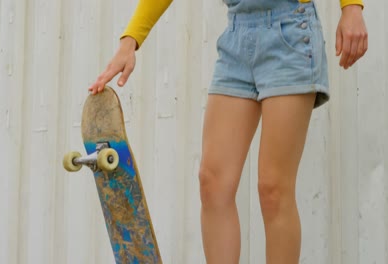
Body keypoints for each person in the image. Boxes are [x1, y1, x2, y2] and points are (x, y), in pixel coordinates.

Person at [89, 0, 368, 263]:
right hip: (237, 36)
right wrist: (130, 41)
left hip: (290, 33)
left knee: (274, 189)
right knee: (212, 183)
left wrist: (351, 8)